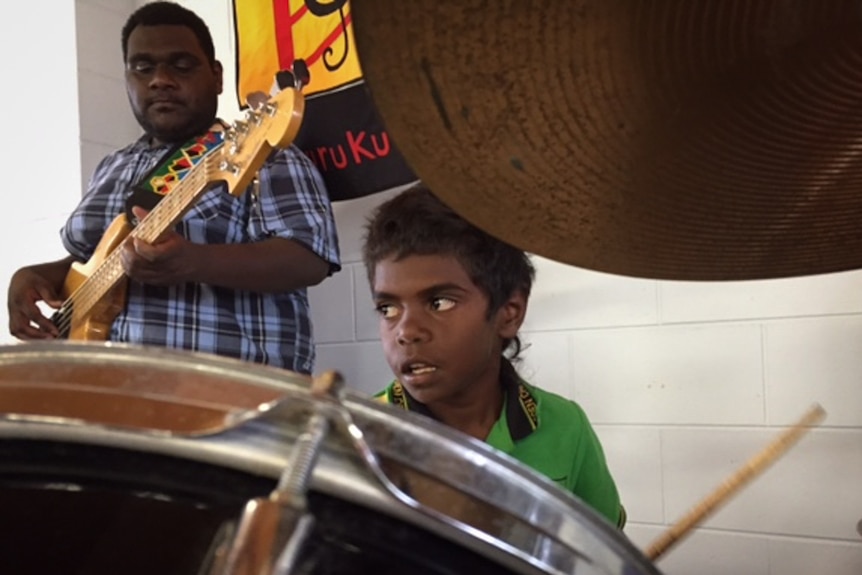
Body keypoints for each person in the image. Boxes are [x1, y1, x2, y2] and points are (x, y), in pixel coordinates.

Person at [6, 1, 340, 374]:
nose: (160, 79)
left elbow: (309, 257)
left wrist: (193, 262)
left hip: (230, 401)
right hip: (106, 399)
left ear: (216, 77)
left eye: (181, 65)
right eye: (142, 67)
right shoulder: (110, 166)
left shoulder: (263, 151)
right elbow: (91, 265)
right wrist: (33, 278)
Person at [363, 184, 625, 528]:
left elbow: (602, 552)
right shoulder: (362, 437)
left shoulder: (565, 426)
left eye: (439, 302)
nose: (406, 331)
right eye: (388, 308)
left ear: (509, 313)